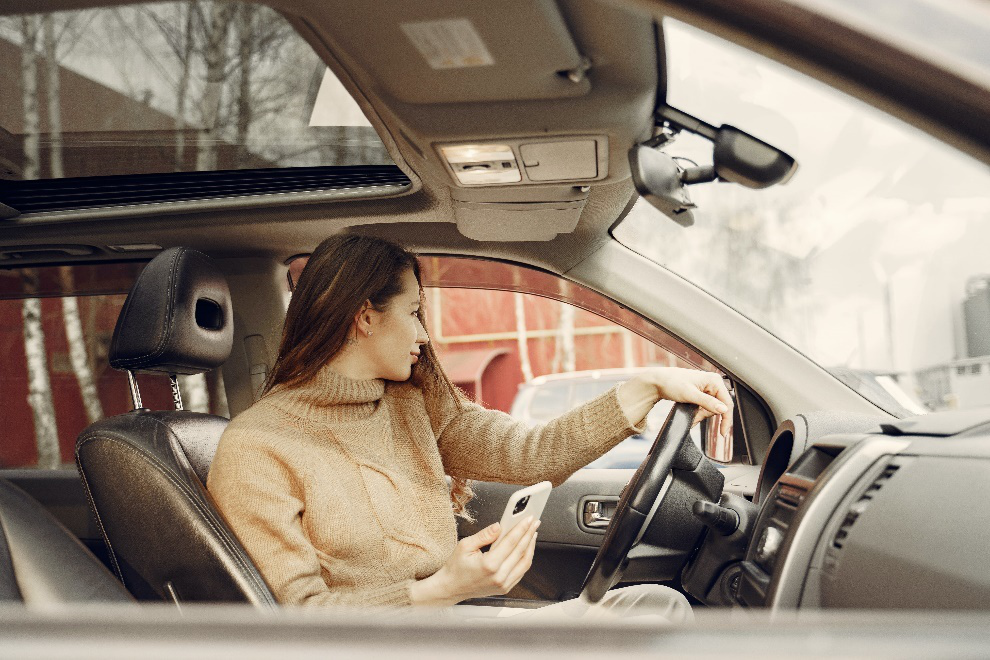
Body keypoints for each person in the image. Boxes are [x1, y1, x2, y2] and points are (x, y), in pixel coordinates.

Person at [207, 235, 732, 620]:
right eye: (413, 312)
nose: (422, 335)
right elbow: (297, 618)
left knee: (654, 607)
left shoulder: (411, 402)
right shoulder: (257, 448)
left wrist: (648, 387)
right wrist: (439, 589)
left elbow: (531, 453)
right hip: (383, 646)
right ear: (365, 317)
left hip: (447, 624)